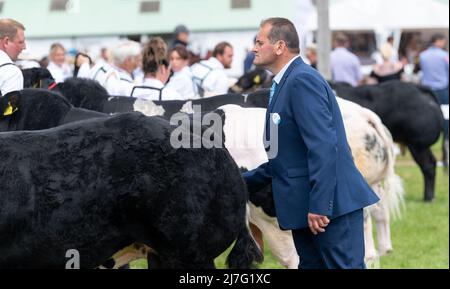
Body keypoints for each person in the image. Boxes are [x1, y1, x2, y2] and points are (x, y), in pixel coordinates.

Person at [243, 17, 379, 269]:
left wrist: (319, 205)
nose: (254, 48)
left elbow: (323, 146)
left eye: (259, 42)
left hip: (328, 210)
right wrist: (238, 182)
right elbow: (287, 157)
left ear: (280, 46)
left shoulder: (301, 81)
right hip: (306, 208)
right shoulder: (285, 82)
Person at [419, 33, 449, 138]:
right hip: (442, 89)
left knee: (429, 114)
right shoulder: (445, 55)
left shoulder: (422, 55)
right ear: (438, 41)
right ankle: (446, 136)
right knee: (446, 114)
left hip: (427, 90)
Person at [0, 18, 26, 96]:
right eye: (20, 42)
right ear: (6, 42)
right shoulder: (10, 72)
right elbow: (11, 107)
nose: (24, 47)